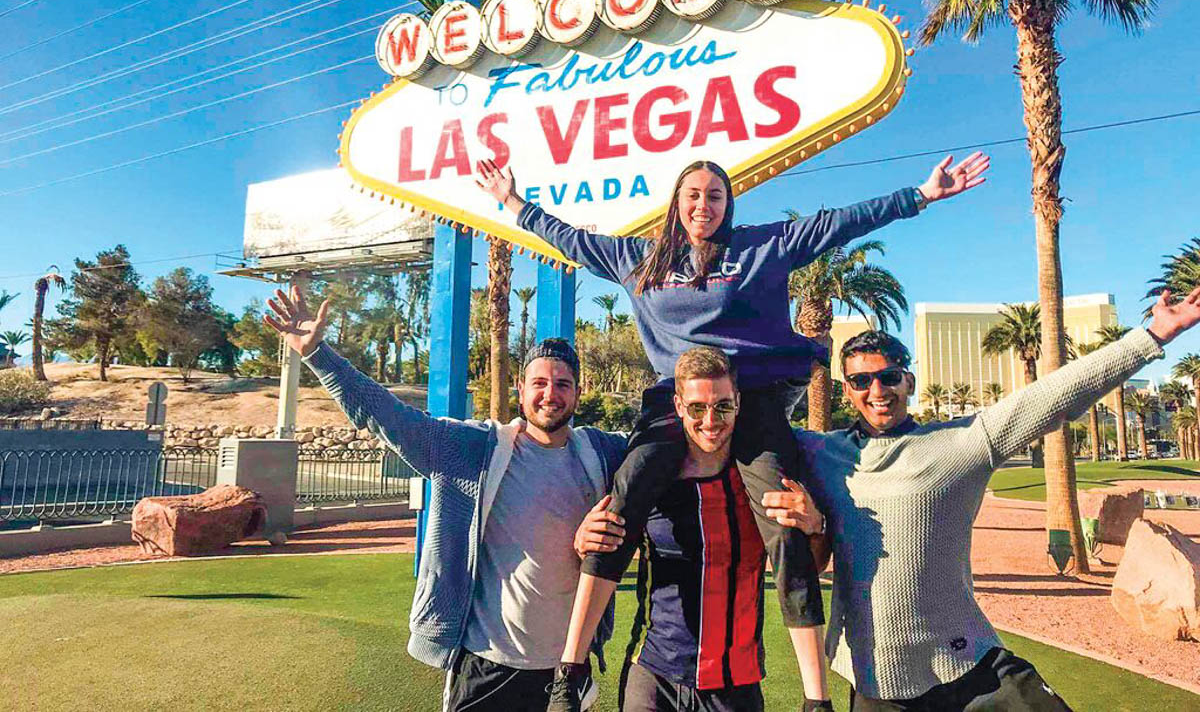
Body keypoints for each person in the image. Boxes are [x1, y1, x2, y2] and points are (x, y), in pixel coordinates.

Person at [476, 152, 990, 711]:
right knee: (624, 496)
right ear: (677, 202)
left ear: (728, 204)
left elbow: (836, 223)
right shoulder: (639, 258)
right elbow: (568, 238)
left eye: (715, 195)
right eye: (693, 194)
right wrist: (511, 202)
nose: (703, 204)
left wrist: (920, 195)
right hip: (676, 399)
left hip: (752, 400)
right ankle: (570, 671)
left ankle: (815, 698)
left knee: (782, 516)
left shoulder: (757, 249)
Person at [755, 285, 1200, 710]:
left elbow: (1054, 395)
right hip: (874, 677)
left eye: (889, 377)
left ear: (908, 380)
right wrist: (816, 524)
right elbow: (752, 433)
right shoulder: (819, 452)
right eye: (861, 380)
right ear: (847, 389)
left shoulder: (964, 441)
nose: (877, 391)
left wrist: (1154, 335)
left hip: (969, 662)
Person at [263, 285, 627, 711]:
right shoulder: (471, 449)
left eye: (563, 384)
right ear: (521, 389)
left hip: (566, 672)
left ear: (578, 394)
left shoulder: (603, 454)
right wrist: (317, 353)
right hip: (485, 662)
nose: (551, 394)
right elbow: (386, 416)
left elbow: (667, 444)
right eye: (540, 383)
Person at [574, 347, 828, 712]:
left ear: (738, 403)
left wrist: (817, 526)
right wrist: (583, 535)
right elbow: (595, 526)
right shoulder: (650, 476)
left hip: (735, 686)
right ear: (678, 406)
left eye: (723, 406)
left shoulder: (766, 484)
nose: (710, 420)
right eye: (697, 408)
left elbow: (809, 567)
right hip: (653, 678)